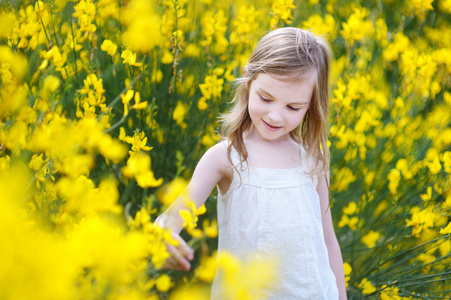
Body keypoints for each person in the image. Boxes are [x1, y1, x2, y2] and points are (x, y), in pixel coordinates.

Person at [155, 27, 347, 299]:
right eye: (265, 98)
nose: (276, 116)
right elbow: (170, 218)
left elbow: (328, 241)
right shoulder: (225, 157)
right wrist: (163, 235)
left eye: (293, 107)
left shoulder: (313, 158)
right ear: (247, 80)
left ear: (310, 105)